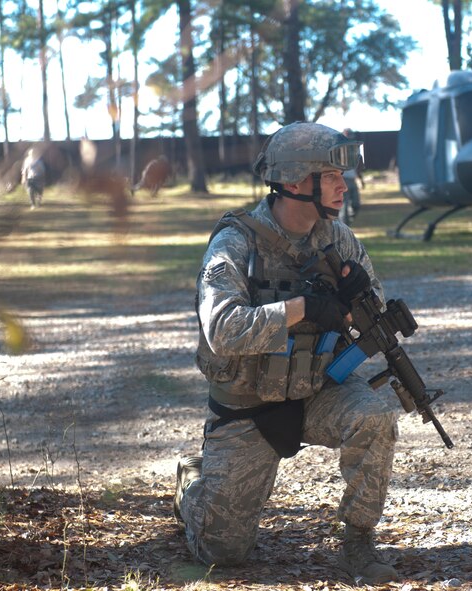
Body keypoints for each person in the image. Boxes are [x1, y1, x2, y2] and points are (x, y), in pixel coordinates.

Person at [175, 122, 401, 585]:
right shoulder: (235, 243)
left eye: (343, 176)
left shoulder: (339, 239)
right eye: (331, 176)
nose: (344, 185)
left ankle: (357, 543)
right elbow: (223, 330)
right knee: (222, 553)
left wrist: (362, 303)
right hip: (249, 406)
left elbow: (371, 318)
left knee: (374, 415)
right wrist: (302, 307)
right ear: (297, 182)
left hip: (317, 389)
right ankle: (190, 487)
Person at [338, 129, 365, 226]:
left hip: (352, 180)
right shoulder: (338, 150)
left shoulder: (355, 150)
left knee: (356, 204)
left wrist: (361, 180)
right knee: (344, 205)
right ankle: (344, 226)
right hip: (343, 179)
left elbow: (358, 167)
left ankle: (346, 223)